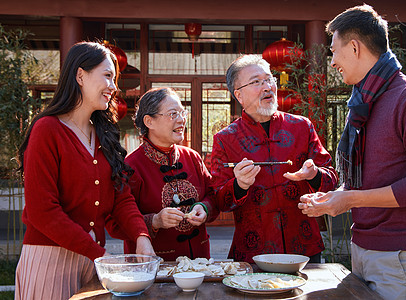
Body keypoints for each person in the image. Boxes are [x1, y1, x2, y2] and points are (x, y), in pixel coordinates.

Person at [298, 5, 406, 300]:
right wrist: (335, 198)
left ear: (354, 48)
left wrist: (351, 198)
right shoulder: (363, 102)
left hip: (401, 255)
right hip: (365, 248)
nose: (333, 62)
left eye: (334, 51)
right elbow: (369, 179)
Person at [14, 42, 154, 300]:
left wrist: (141, 235)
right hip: (50, 261)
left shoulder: (104, 134)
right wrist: (99, 254)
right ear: (80, 75)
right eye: (108, 76)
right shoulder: (47, 130)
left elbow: (121, 197)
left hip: (92, 262)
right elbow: (42, 211)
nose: (114, 87)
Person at [210, 54, 338, 264]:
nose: (267, 86)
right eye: (256, 82)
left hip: (304, 243)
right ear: (239, 95)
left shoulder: (301, 127)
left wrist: (314, 174)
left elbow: (331, 178)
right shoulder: (225, 139)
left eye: (269, 79)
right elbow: (219, 200)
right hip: (254, 248)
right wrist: (240, 185)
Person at [107, 87, 218, 261]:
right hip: (153, 266)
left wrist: (203, 208)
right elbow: (115, 224)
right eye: (173, 114)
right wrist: (156, 221)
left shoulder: (192, 157)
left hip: (199, 263)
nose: (182, 120)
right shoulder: (131, 166)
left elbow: (213, 195)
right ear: (149, 121)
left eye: (183, 113)